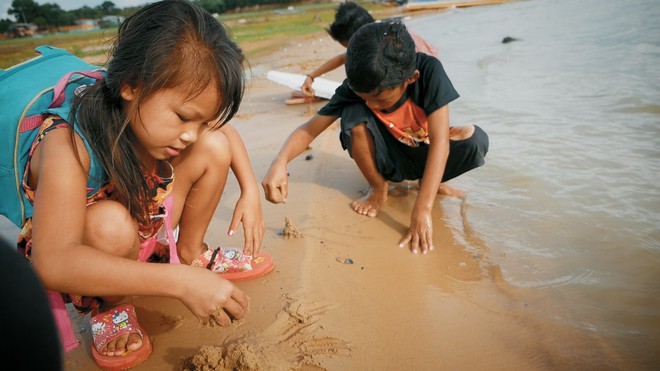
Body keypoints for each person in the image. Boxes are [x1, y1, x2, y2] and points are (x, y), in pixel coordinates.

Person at [12, 0, 263, 368]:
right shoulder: (65, 143)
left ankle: (191, 252)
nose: (190, 134)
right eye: (182, 118)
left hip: (143, 223)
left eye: (199, 120)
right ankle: (112, 305)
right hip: (91, 252)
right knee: (110, 223)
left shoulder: (154, 109)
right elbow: (53, 261)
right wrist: (178, 283)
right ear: (131, 85)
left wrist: (250, 188)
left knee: (213, 145)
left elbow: (220, 131)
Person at [262, 20, 488, 255]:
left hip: (425, 150)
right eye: (365, 97)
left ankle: (431, 183)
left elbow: (440, 141)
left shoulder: (430, 72)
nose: (371, 104)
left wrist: (423, 208)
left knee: (476, 140)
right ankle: (378, 188)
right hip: (388, 159)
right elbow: (309, 129)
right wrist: (280, 161)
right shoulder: (356, 86)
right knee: (351, 113)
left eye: (379, 100)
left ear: (411, 78)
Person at [300, 1, 438, 98]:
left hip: (422, 78)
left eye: (349, 46)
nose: (350, 51)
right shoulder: (374, 35)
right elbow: (343, 57)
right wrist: (311, 77)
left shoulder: (392, 42)